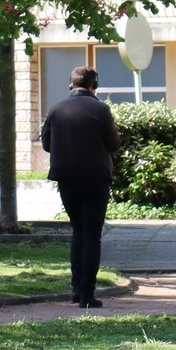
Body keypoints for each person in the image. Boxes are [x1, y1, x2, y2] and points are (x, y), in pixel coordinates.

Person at [40, 65, 121, 307]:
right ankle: (88, 294)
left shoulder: (55, 110)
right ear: (93, 86)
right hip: (96, 178)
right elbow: (114, 143)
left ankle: (76, 288)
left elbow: (46, 144)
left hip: (66, 178)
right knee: (92, 234)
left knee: (77, 229)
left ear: (71, 85)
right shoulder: (100, 109)